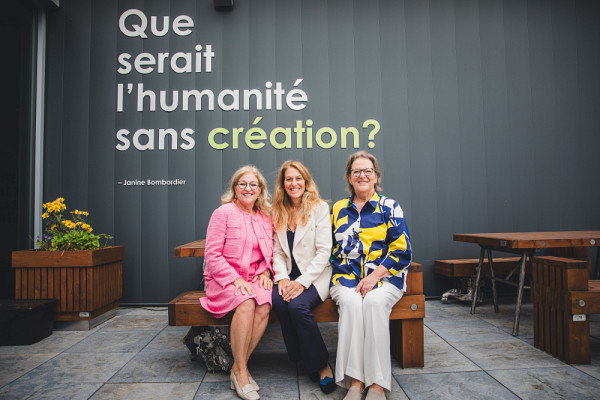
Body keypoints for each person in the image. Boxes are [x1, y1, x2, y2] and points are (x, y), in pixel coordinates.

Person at [330, 151, 412, 400]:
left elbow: (402, 251)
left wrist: (374, 276)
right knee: (353, 304)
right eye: (357, 171)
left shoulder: (390, 206)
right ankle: (355, 382)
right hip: (345, 278)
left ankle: (376, 385)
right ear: (349, 177)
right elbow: (330, 249)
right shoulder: (337, 209)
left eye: (368, 171)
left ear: (376, 176)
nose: (362, 175)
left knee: (375, 303)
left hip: (385, 277)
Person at [200, 165, 274, 400]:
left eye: (253, 184)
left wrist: (266, 272)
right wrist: (235, 279)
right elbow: (212, 255)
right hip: (224, 280)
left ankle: (237, 367)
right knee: (247, 302)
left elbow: (271, 253)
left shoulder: (265, 216)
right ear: (235, 188)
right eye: (243, 184)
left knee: (264, 304)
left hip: (254, 277)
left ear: (260, 190)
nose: (248, 188)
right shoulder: (223, 213)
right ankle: (242, 373)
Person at [270, 160, 336, 394]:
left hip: (316, 275)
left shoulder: (319, 208)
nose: (294, 183)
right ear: (283, 183)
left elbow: (324, 252)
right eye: (289, 179)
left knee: (297, 307)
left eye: (298, 178)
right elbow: (277, 251)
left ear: (306, 182)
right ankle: (302, 358)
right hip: (288, 275)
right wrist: (282, 278)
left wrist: (301, 282)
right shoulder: (277, 209)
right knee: (278, 301)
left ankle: (321, 365)